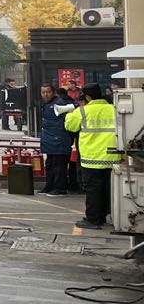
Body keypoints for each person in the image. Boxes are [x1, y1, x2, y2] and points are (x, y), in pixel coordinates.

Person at [64, 84, 120, 229]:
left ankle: (93, 219)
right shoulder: (114, 108)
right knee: (108, 189)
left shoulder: (82, 111)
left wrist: (70, 113)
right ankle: (103, 215)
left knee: (93, 190)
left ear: (88, 97)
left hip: (92, 158)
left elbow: (70, 126)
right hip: (113, 157)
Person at [38, 85, 77, 197]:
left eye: (48, 92)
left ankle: (60, 188)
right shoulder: (46, 104)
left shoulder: (60, 103)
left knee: (59, 165)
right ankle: (49, 186)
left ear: (53, 92)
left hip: (59, 140)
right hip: (49, 140)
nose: (45, 94)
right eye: (43, 92)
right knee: (50, 164)